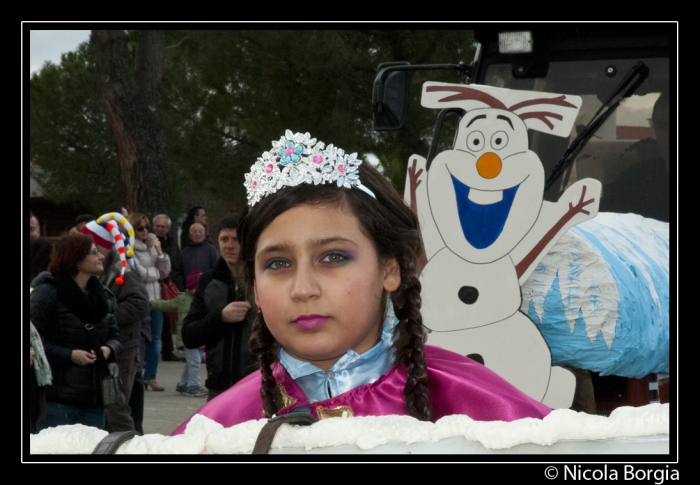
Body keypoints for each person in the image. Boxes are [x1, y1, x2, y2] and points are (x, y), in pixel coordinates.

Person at [172, 131, 550, 434]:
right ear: (254, 285)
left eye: (334, 257)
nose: (303, 289)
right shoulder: (214, 432)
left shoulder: (487, 412)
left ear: (390, 269)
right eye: (278, 263)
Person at [30, 232, 120, 431]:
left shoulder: (101, 295)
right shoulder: (47, 293)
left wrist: (108, 349)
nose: (102, 256)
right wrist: (70, 355)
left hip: (95, 399)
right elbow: (33, 343)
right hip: (58, 399)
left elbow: (115, 335)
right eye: (94, 252)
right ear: (77, 260)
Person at [81, 215, 151, 432]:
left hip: (122, 353)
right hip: (105, 350)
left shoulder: (122, 271)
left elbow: (140, 305)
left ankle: (128, 448)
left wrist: (105, 317)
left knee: (115, 408)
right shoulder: (97, 270)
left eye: (88, 243)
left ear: (100, 246)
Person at [180, 213, 255, 401]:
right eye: (224, 239)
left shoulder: (264, 279)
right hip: (218, 388)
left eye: (236, 240)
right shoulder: (208, 280)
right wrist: (220, 317)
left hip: (256, 386)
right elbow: (189, 336)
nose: (229, 245)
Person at [128, 213, 171, 392]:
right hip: (140, 298)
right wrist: (155, 272)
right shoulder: (130, 248)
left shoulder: (152, 245)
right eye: (141, 228)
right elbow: (140, 273)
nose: (145, 231)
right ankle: (137, 373)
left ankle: (151, 376)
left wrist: (160, 253)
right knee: (141, 338)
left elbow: (166, 271)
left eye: (147, 227)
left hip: (157, 298)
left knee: (156, 340)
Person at [151, 270, 208, 397]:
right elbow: (167, 304)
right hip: (188, 336)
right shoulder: (183, 298)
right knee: (194, 362)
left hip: (200, 335)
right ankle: (194, 385)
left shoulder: (204, 299)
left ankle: (183, 384)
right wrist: (150, 303)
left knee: (193, 362)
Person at [153, 213, 183, 362]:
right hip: (153, 283)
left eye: (163, 226)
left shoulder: (172, 243)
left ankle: (168, 350)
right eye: (157, 226)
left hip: (168, 283)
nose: (160, 229)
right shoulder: (150, 242)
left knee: (168, 318)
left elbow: (175, 263)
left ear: (169, 228)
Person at [174, 222, 219, 291]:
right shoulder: (184, 253)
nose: (197, 234)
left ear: (205, 234)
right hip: (188, 293)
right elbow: (178, 273)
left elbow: (217, 270)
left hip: (208, 292)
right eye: (194, 231)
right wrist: (183, 289)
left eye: (200, 231)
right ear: (190, 235)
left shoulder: (212, 250)